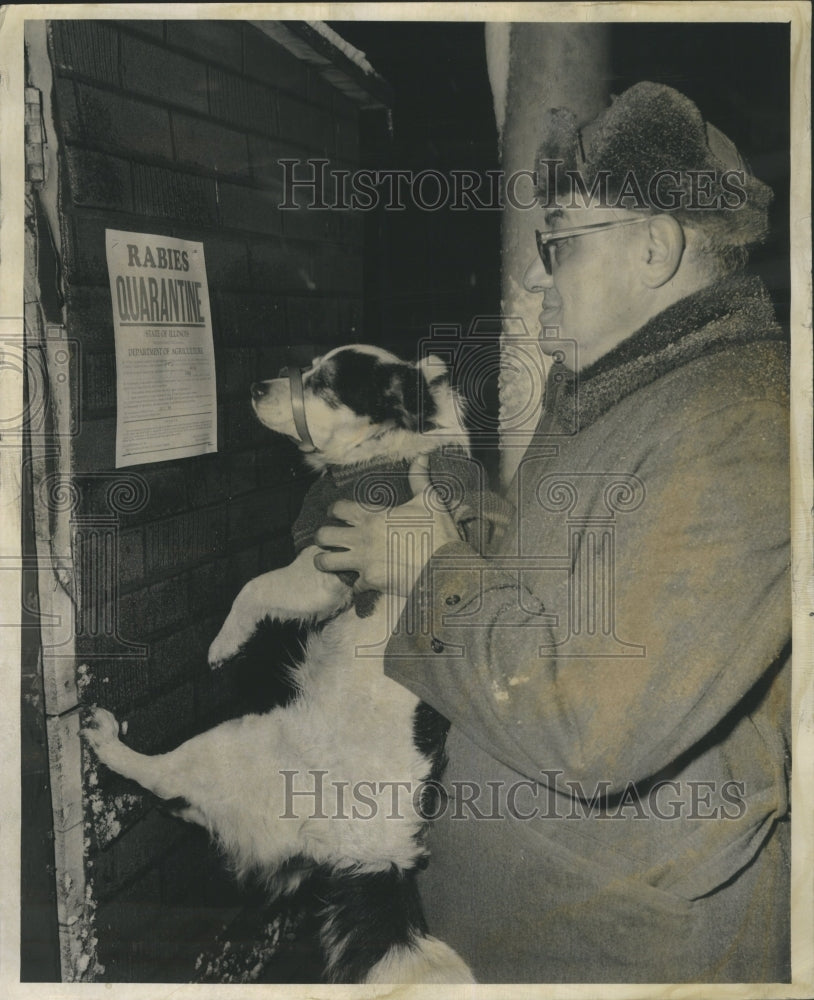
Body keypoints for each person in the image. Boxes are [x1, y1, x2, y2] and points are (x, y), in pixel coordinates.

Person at [312, 82, 791, 983]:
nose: (534, 276)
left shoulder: (743, 429)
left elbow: (595, 722)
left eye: (560, 243)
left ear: (654, 248)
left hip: (626, 949)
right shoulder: (631, 393)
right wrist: (459, 516)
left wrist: (430, 570)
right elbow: (563, 585)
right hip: (530, 922)